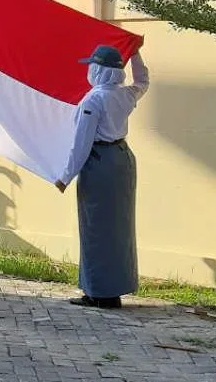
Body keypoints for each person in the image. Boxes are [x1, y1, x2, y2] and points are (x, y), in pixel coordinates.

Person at [55, 45, 150, 310]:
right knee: (118, 227)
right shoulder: (125, 95)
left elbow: (81, 144)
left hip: (99, 164)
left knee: (95, 228)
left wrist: (66, 176)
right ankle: (114, 289)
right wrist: (135, 53)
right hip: (122, 160)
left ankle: (97, 293)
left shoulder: (93, 100)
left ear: (97, 70)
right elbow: (143, 81)